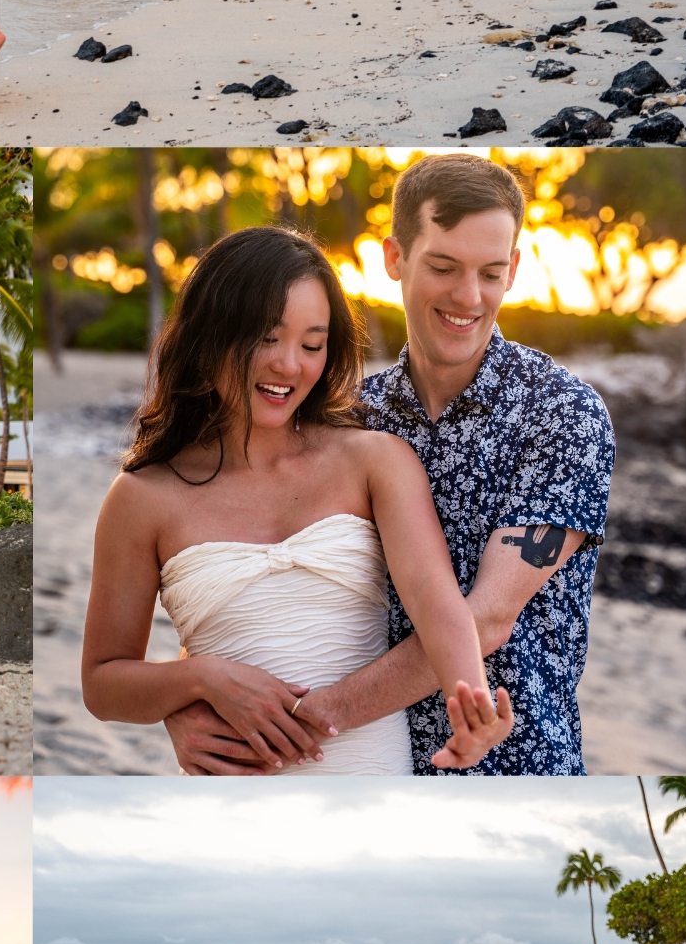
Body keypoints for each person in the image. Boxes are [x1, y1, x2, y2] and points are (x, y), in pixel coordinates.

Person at [163, 155, 615, 776]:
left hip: (511, 764)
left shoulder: (563, 414)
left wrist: (306, 722)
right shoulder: (347, 416)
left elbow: (482, 621)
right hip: (363, 765)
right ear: (394, 259)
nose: (468, 295)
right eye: (443, 266)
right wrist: (194, 702)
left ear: (514, 270)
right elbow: (249, 567)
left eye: (490, 272)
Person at [82, 222, 515, 773]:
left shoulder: (373, 460)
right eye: (267, 337)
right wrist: (201, 679)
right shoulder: (141, 498)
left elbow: (437, 599)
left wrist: (469, 700)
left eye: (312, 344)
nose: (290, 365)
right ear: (210, 334)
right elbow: (102, 683)